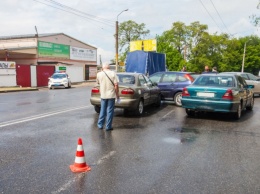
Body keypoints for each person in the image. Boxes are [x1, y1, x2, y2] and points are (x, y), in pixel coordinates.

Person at [96, 62, 119, 131]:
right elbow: (116, 85)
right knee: (110, 111)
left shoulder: (99, 74)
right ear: (109, 67)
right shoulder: (113, 73)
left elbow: (98, 82)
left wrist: (101, 72)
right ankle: (108, 126)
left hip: (103, 95)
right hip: (111, 95)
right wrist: (117, 94)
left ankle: (100, 125)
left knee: (102, 110)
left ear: (102, 68)